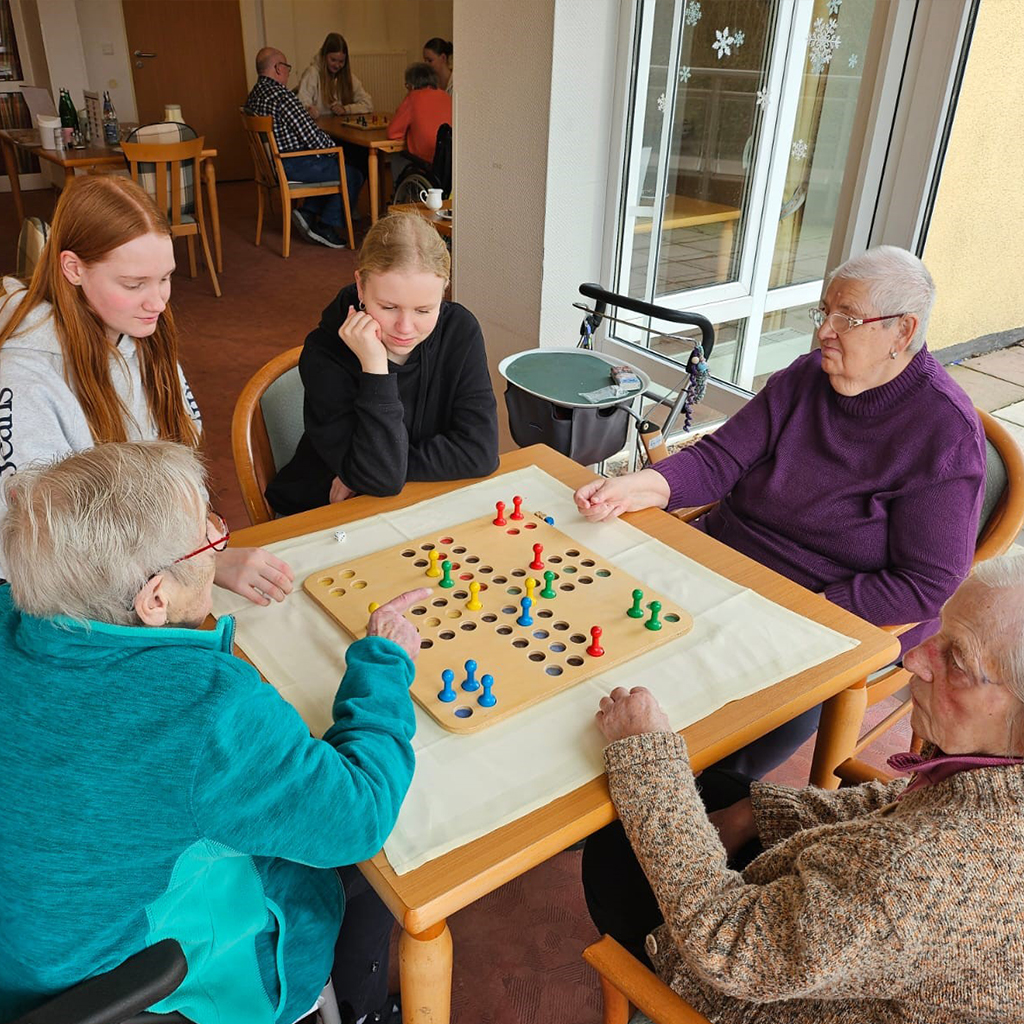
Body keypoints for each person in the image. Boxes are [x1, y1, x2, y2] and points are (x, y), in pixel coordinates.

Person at [0, 441, 422, 1024]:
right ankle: (360, 1007)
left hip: (24, 963)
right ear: (154, 598)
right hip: (141, 980)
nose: (221, 542)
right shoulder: (207, 707)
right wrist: (385, 667)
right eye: (208, 535)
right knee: (386, 867)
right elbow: (359, 816)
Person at [574, 246, 986, 777]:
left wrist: (806, 609)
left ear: (902, 333)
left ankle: (676, 807)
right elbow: (721, 458)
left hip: (824, 610)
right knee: (602, 645)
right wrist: (644, 485)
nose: (824, 333)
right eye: (825, 313)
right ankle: (594, 786)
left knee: (719, 742)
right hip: (726, 560)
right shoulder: (805, 376)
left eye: (848, 318)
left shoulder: (944, 432)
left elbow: (929, 582)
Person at [582, 556, 1024, 1022]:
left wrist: (646, 755)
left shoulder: (928, 875)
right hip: (847, 936)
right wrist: (748, 814)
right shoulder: (991, 770)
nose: (913, 657)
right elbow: (900, 804)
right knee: (719, 789)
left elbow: (727, 947)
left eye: (955, 659)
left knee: (612, 855)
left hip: (755, 990)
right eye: (940, 631)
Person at [0, 174, 292, 606]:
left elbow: (179, 466)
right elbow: (49, 559)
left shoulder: (140, 331)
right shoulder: (23, 380)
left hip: (155, 578)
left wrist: (205, 551)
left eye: (165, 279)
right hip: (76, 607)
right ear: (73, 268)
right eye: (134, 284)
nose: (157, 301)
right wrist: (202, 566)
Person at [266, 212, 498, 515]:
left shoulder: (460, 331)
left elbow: (480, 453)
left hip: (418, 503)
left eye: (424, 310)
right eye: (388, 307)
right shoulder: (325, 351)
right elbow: (382, 478)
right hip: (324, 510)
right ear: (361, 287)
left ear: (444, 290)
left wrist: (372, 470)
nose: (405, 327)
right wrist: (375, 366)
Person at [245, 46, 365, 249]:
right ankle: (326, 225)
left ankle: (307, 212)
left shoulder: (254, 95)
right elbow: (313, 138)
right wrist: (336, 150)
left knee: (337, 165)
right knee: (352, 173)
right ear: (278, 68)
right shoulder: (283, 97)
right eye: (287, 67)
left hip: (274, 165)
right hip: (292, 164)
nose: (289, 72)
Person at [387, 62, 452, 187]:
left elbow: (393, 133)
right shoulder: (446, 96)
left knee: (396, 158)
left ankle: (402, 200)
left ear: (411, 85)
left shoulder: (413, 97)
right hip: (447, 160)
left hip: (426, 161)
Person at [298, 32, 373, 117]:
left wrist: (346, 109)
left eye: (341, 61)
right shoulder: (312, 73)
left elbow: (368, 104)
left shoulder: (348, 76)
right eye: (333, 60)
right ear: (324, 56)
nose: (337, 65)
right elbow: (301, 103)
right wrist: (309, 110)